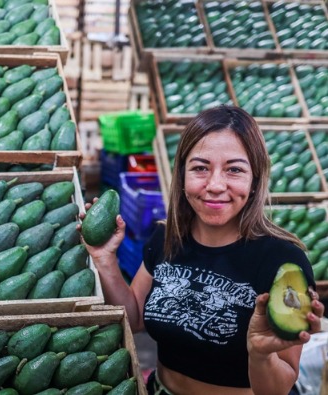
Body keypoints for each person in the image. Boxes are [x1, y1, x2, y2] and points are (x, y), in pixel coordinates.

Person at [79, 105, 324, 395]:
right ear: (181, 176)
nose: (215, 185)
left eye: (234, 170)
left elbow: (277, 390)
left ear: (255, 179)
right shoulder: (166, 237)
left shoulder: (283, 261)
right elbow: (134, 320)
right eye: (200, 168)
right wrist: (105, 258)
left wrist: (261, 354)